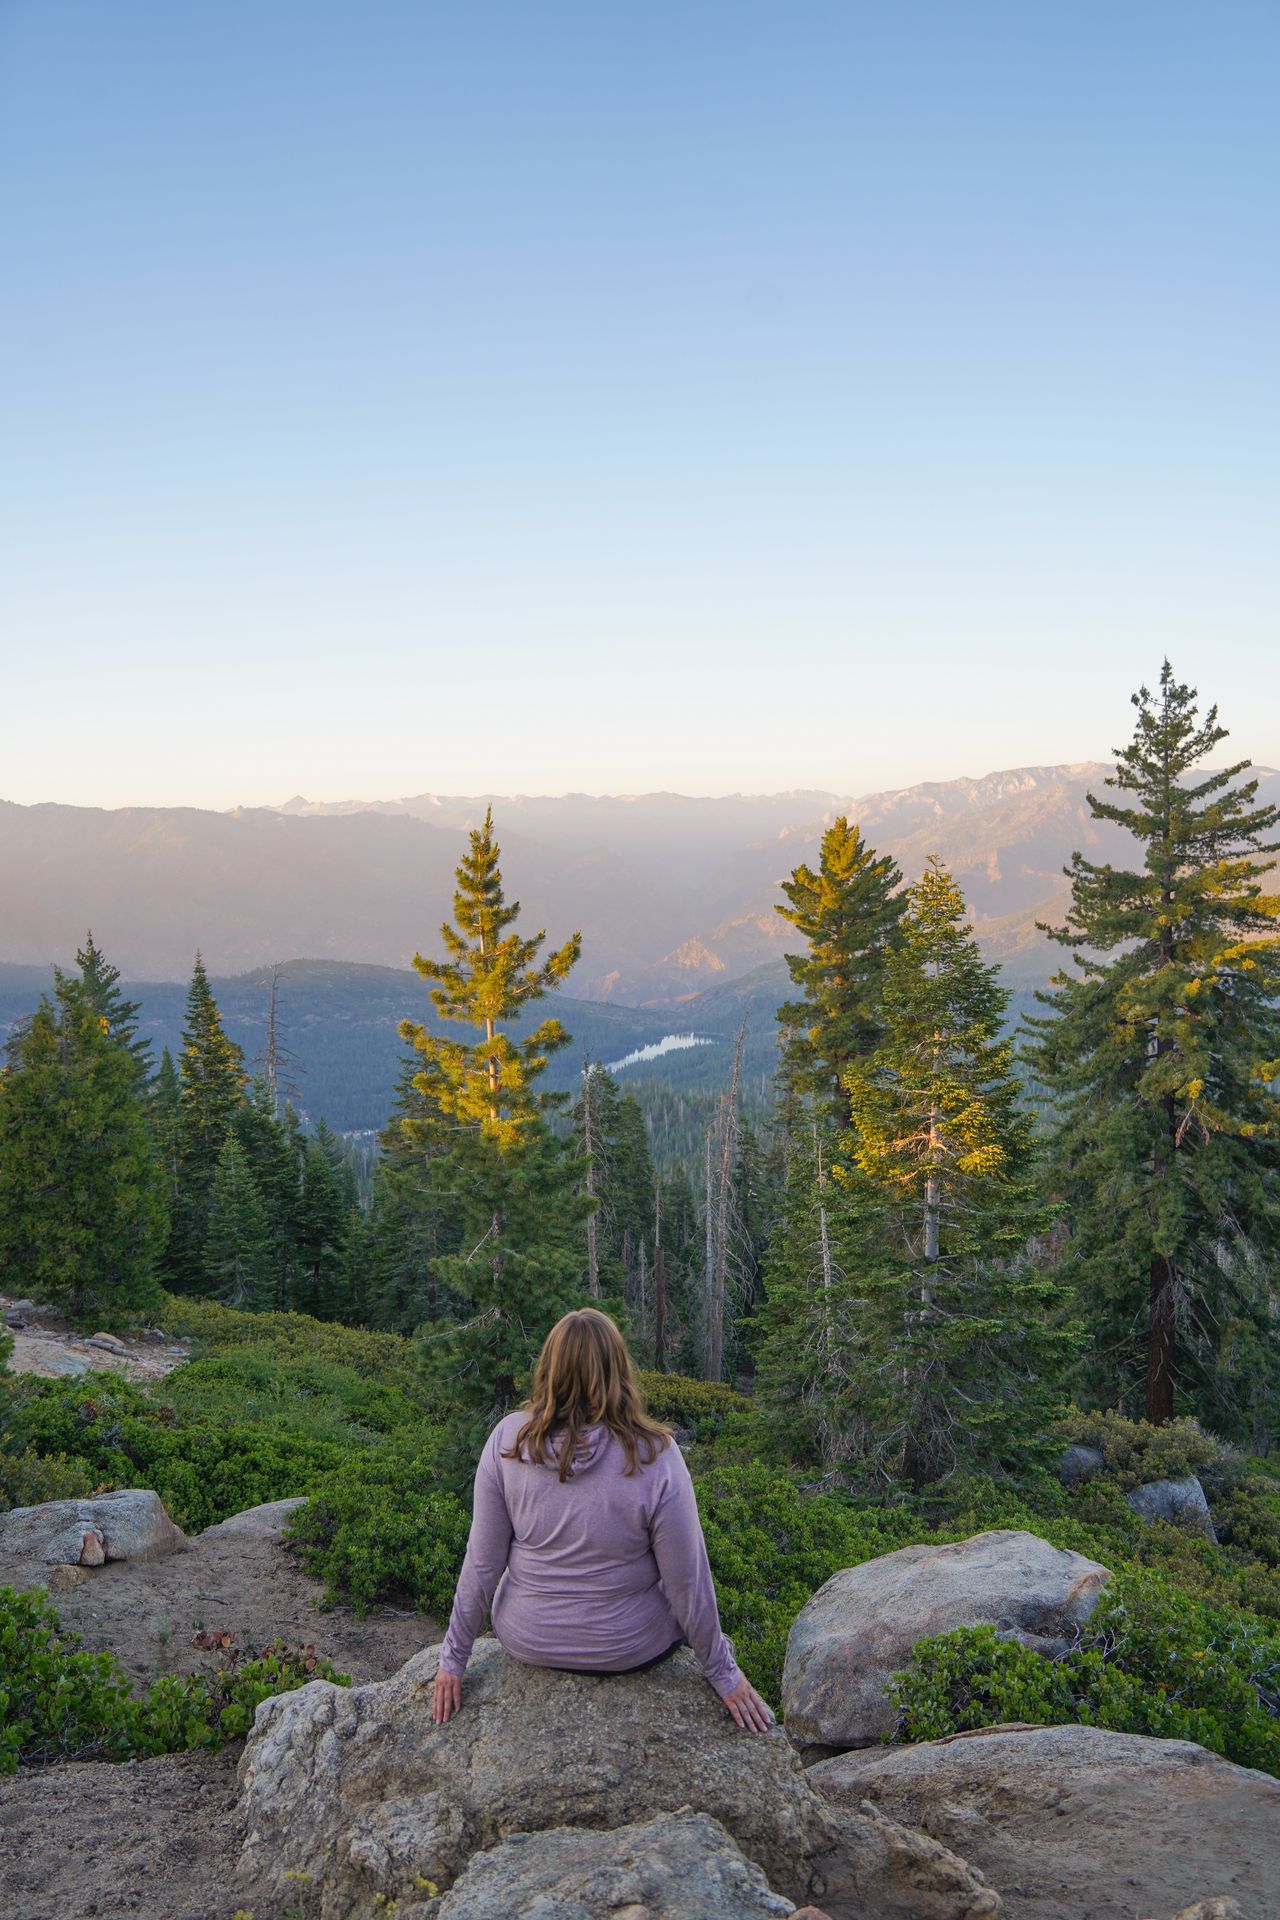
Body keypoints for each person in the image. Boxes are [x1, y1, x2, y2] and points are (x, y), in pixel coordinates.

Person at [433, 1306, 773, 1732]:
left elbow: (482, 1566)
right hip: (629, 1646)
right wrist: (724, 1672)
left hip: (528, 1638)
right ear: (618, 1369)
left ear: (549, 1368)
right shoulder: (655, 1454)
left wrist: (453, 1661)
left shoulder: (507, 1442)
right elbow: (688, 1582)